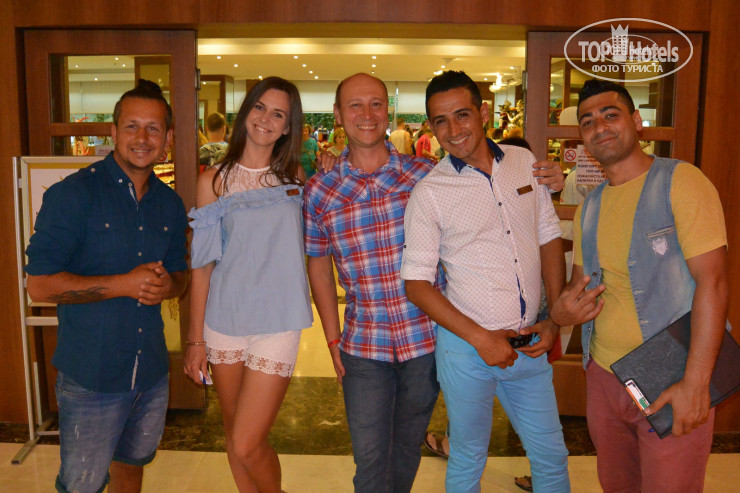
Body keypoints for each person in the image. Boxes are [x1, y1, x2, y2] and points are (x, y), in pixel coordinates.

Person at [400, 70, 597, 492]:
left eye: (462, 115)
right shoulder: (430, 192)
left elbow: (547, 236)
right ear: (430, 126)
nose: (453, 130)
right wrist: (482, 339)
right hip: (467, 349)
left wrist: (553, 318)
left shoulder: (523, 162)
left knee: (551, 455)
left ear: (483, 113)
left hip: (530, 343)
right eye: (440, 121)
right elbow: (416, 284)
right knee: (468, 456)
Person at [25, 79, 189, 493]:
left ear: (167, 138)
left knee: (132, 467)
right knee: (82, 484)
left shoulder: (169, 204)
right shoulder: (72, 195)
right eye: (131, 126)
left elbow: (180, 277)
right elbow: (39, 286)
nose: (142, 138)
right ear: (113, 132)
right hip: (91, 377)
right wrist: (124, 284)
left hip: (150, 372)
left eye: (153, 128)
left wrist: (168, 286)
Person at [570, 79, 728, 492]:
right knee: (617, 484)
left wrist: (696, 382)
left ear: (637, 121)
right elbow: (578, 290)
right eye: (588, 122)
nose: (600, 127)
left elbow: (713, 283)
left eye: (610, 115)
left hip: (671, 374)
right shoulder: (589, 208)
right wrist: (563, 311)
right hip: (605, 376)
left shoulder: (680, 181)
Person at [184, 76, 313, 493]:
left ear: (288, 126)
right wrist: (195, 340)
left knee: (247, 440)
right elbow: (202, 267)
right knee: (233, 430)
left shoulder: (295, 177)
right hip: (225, 320)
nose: (266, 119)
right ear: (245, 112)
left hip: (279, 321)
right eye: (260, 107)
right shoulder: (213, 181)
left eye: (278, 114)